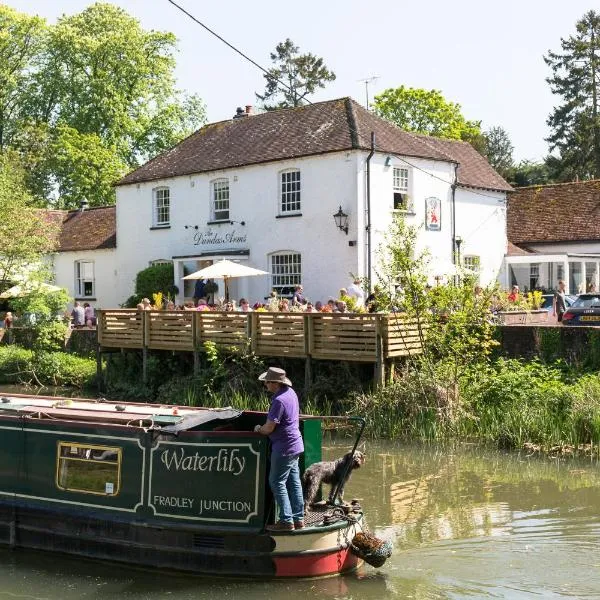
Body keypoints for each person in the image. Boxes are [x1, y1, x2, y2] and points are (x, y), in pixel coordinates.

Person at [254, 367, 304, 531]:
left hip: (283, 447)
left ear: (275, 383)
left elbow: (269, 428)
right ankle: (298, 518)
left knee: (276, 482)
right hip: (296, 444)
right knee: (294, 482)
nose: (265, 385)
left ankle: (286, 521)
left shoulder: (278, 401)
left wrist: (258, 429)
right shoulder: (291, 393)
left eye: (267, 382)